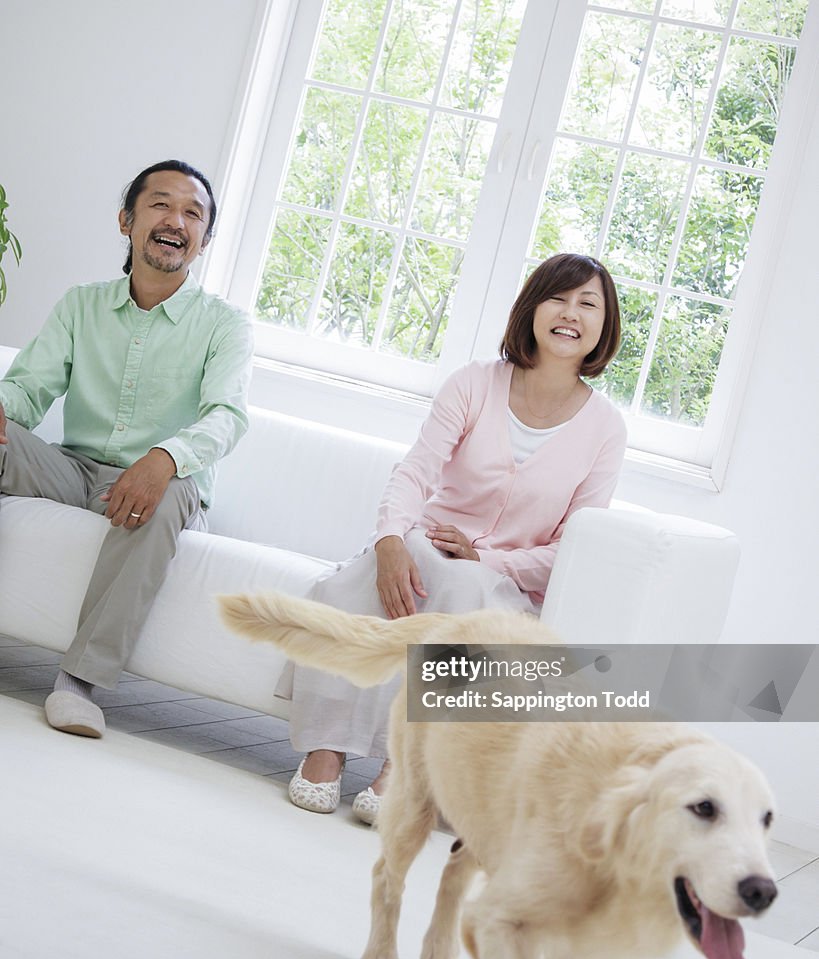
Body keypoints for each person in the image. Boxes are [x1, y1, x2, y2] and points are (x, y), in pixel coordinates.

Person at [280, 252, 627, 823]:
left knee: (466, 588)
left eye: (588, 304)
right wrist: (390, 538)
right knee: (390, 568)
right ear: (532, 310)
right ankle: (327, 747)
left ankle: (405, 768)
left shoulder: (605, 428)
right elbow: (416, 471)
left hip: (501, 584)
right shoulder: (473, 384)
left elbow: (574, 548)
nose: (571, 313)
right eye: (558, 298)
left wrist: (487, 557)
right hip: (424, 549)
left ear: (603, 325)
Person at [0, 159, 254, 738]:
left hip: (163, 483)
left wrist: (163, 459)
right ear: (127, 221)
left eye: (193, 214)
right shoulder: (81, 305)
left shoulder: (225, 325)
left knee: (162, 497)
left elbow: (228, 417)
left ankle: (79, 682)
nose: (176, 220)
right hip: (73, 467)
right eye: (161, 204)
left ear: (204, 240)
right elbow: (29, 389)